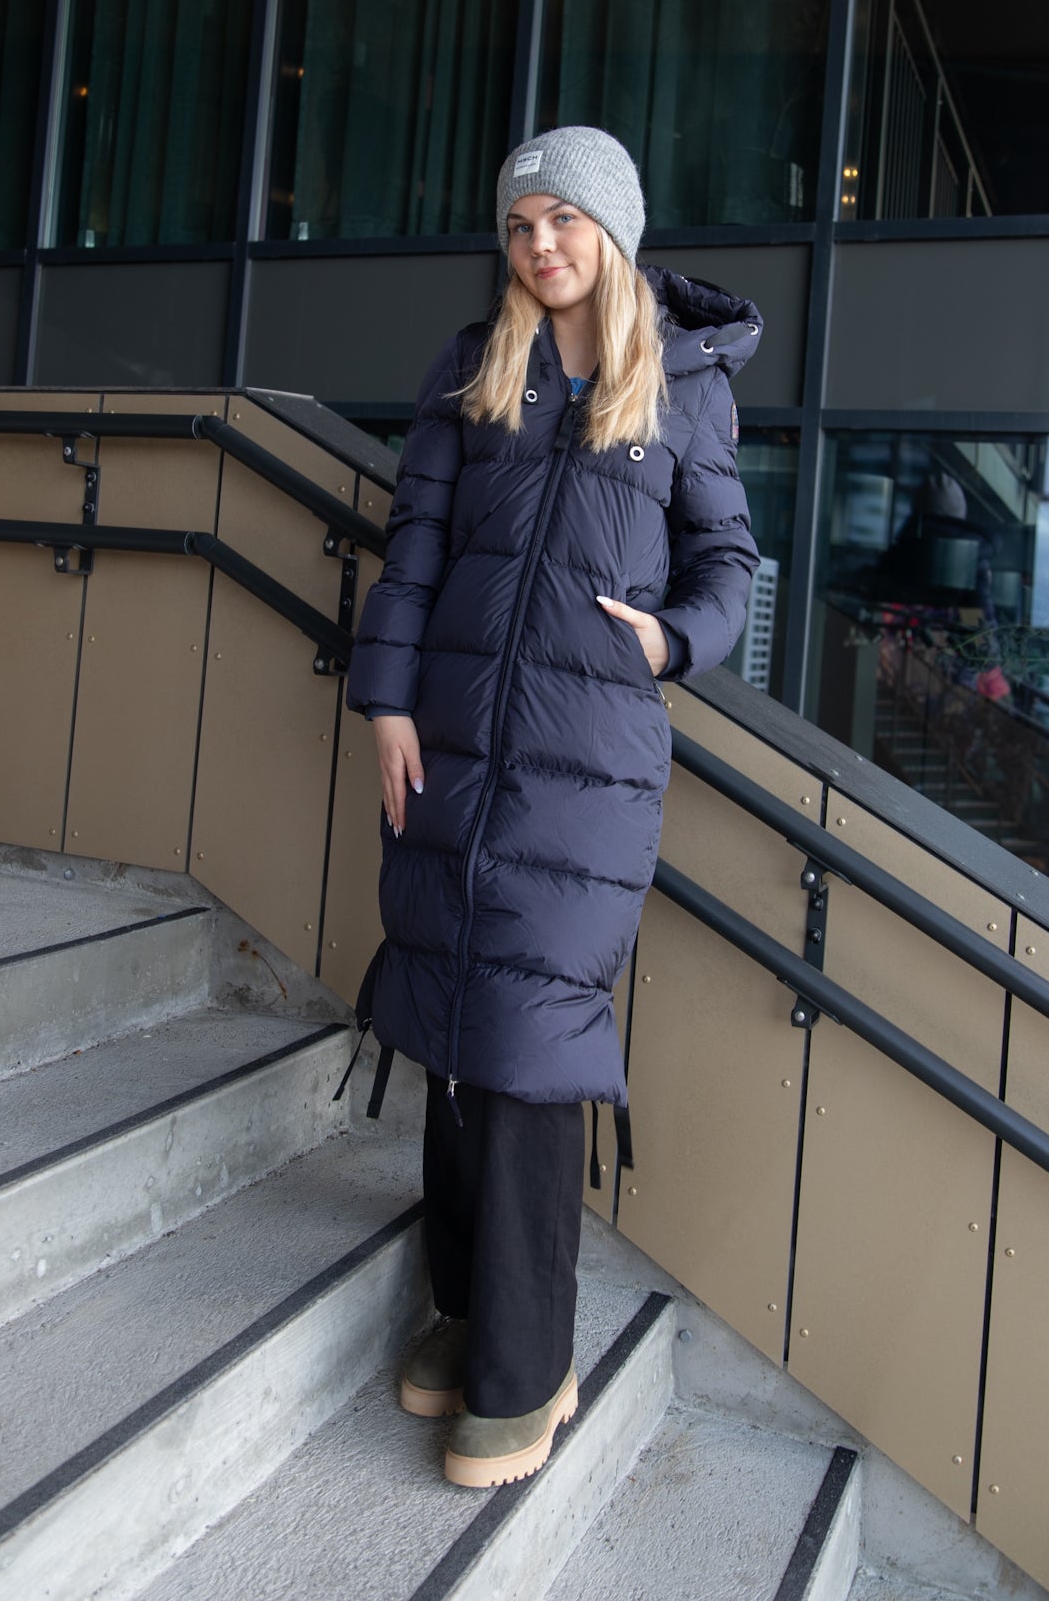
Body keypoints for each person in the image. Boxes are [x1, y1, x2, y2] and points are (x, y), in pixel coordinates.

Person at [344, 125, 761, 1489]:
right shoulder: (475, 367)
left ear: (612, 232)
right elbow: (413, 549)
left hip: (589, 762)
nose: (537, 245)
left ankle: (527, 1371)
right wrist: (388, 704)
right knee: (448, 1017)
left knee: (530, 1041)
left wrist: (667, 642)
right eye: (520, 223)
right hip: (454, 741)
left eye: (562, 220)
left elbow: (728, 564)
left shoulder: (683, 384)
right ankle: (466, 1312)